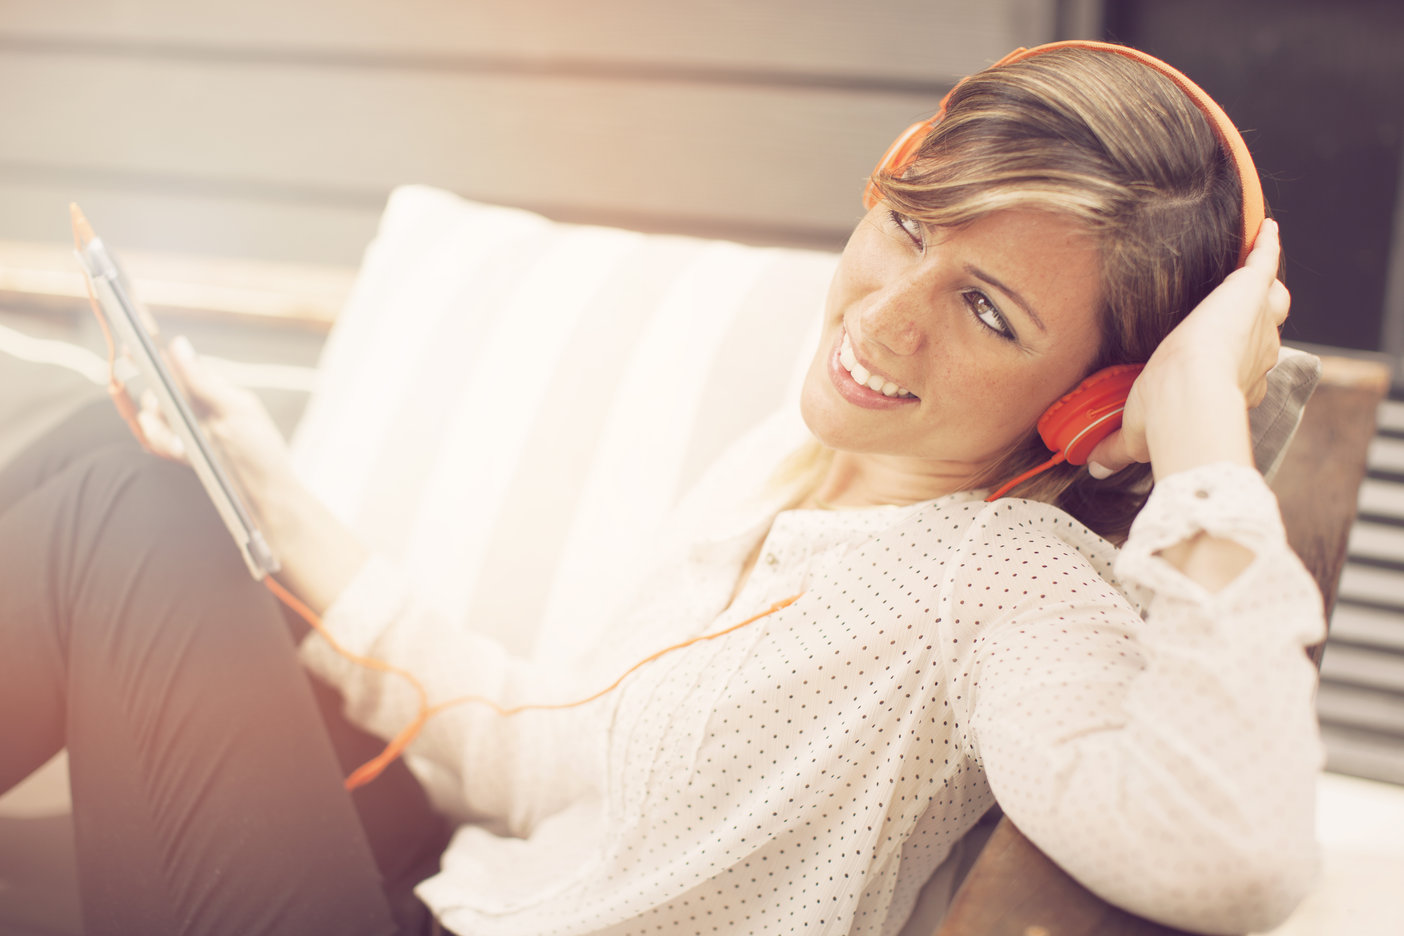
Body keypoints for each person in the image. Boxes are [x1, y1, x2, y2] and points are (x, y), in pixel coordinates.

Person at [0, 42, 1323, 936]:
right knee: (129, 457)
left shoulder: (1000, 588)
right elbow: (540, 760)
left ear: (1090, 403)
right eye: (912, 228)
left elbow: (1234, 843)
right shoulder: (797, 463)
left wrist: (1203, 424)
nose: (886, 317)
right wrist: (272, 493)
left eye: (985, 309)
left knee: (130, 512)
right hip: (447, 891)